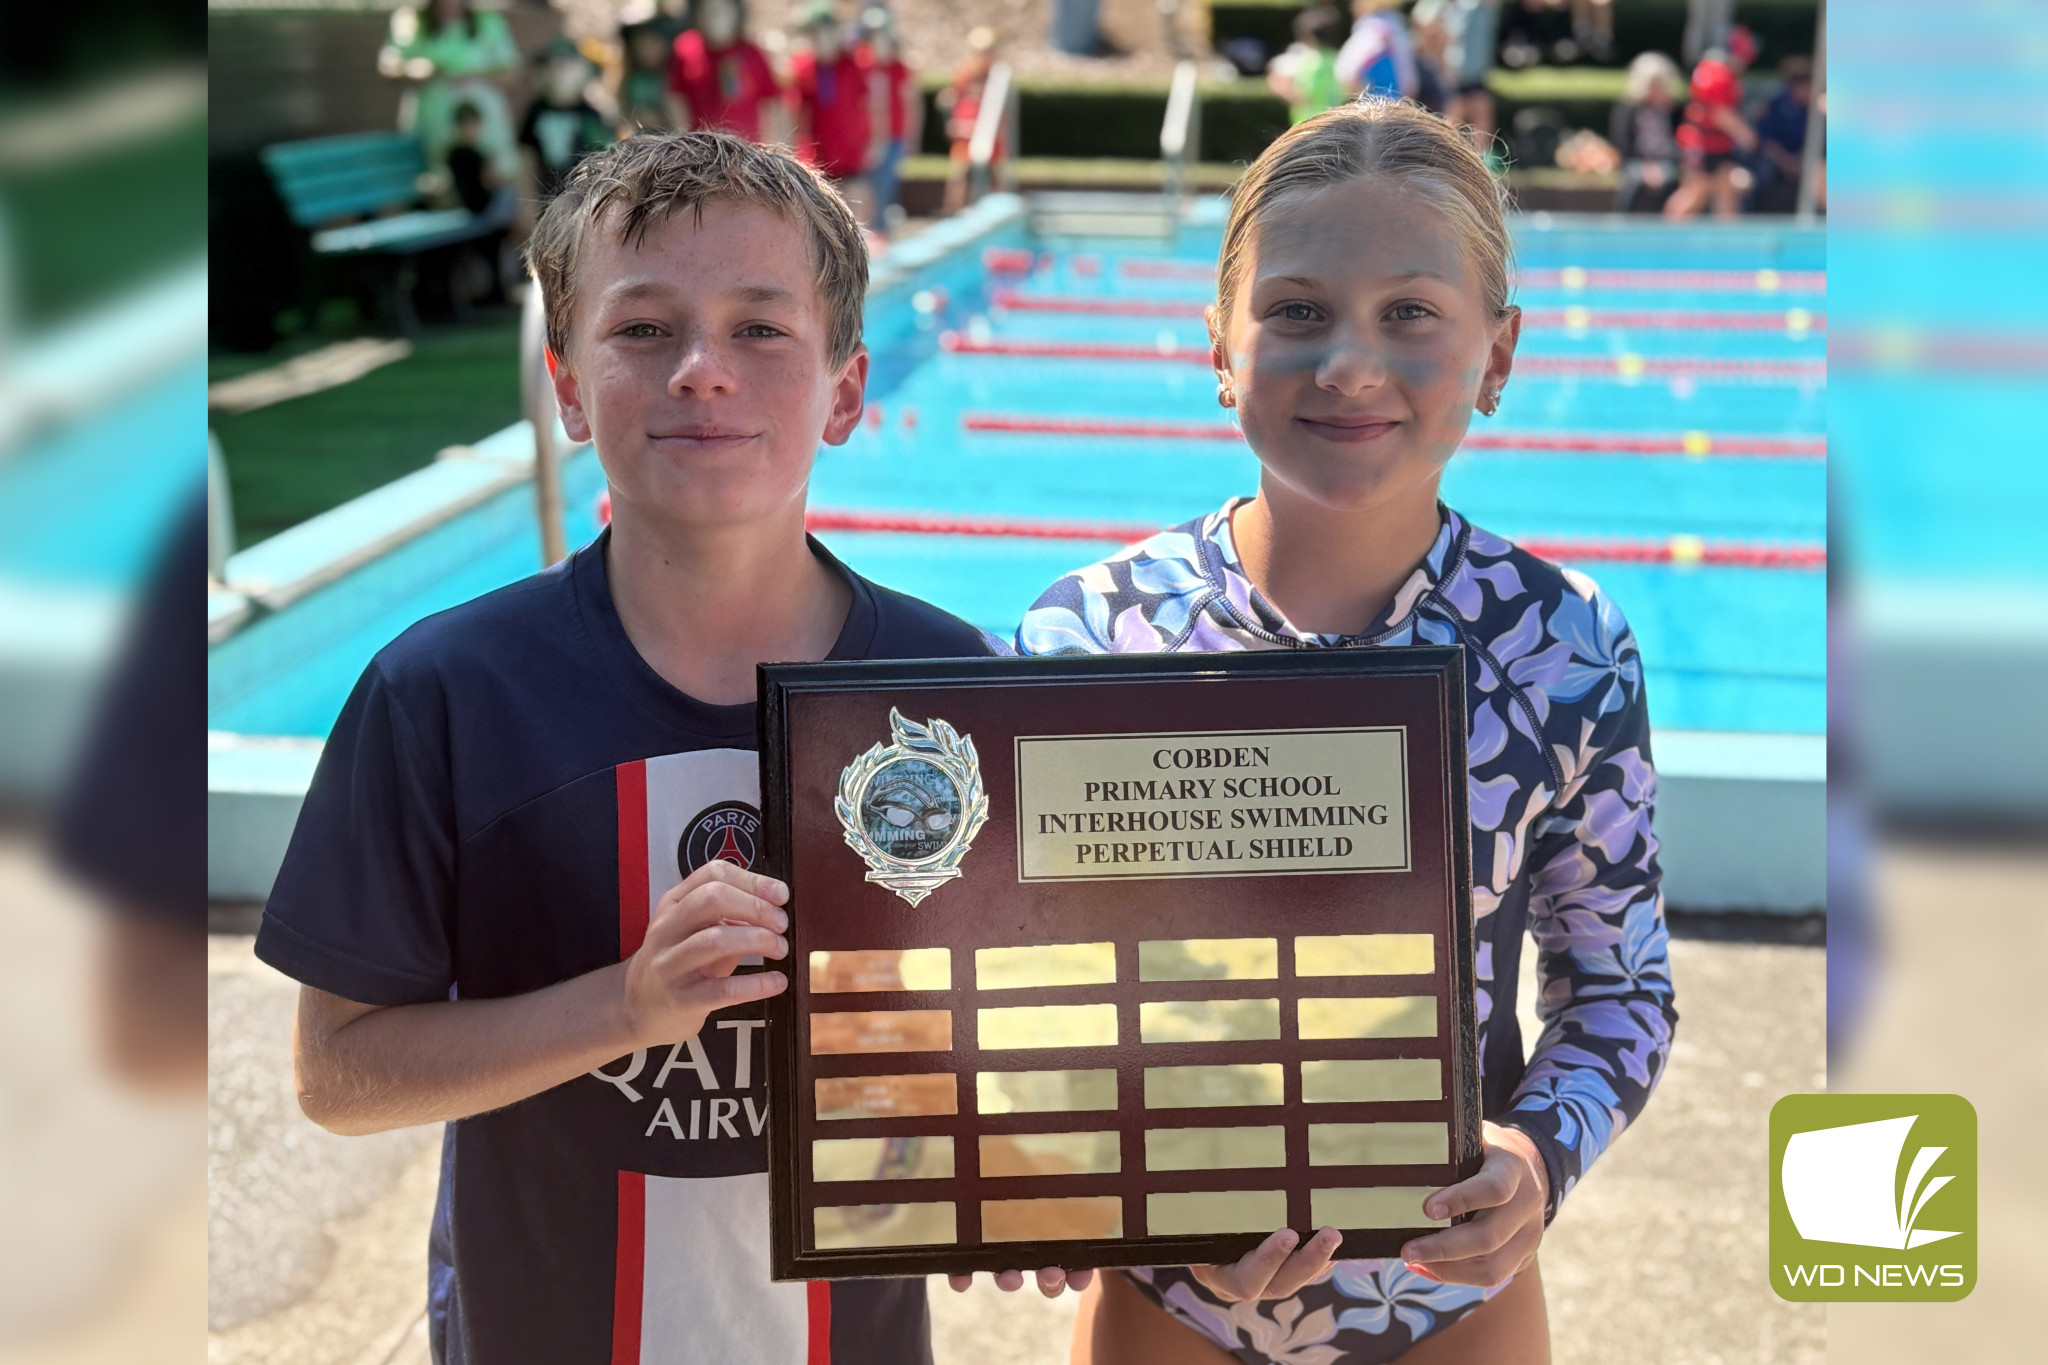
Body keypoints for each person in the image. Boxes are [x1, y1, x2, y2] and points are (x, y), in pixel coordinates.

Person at [252, 131, 1022, 1363]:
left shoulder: (947, 693)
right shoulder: (445, 692)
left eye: (760, 330)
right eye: (643, 330)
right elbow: (338, 1075)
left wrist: (1059, 1167)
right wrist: (623, 1005)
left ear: (844, 390)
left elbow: (1017, 1033)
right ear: (565, 384)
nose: (702, 372)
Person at [1017, 100, 1675, 1363]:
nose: (1349, 365)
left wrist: (1537, 1157)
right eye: (1298, 311)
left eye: (1410, 314)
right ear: (1220, 343)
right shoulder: (1089, 636)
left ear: (1496, 357)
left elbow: (1618, 985)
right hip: (1171, 1298)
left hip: (1446, 1302)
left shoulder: (1562, 647)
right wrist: (1072, 1173)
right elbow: (1024, 995)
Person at [381, 0, 522, 187]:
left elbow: (512, 72)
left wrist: (474, 76)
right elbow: (389, 67)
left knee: (493, 184)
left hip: (487, 133)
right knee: (440, 184)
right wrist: (415, 70)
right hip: (434, 132)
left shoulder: (487, 22)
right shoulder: (411, 22)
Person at [785, 1, 872, 219]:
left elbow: (870, 105)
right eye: (815, 34)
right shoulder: (803, 68)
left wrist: (874, 140)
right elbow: (795, 114)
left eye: (827, 32)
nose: (822, 39)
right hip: (817, 157)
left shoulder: (854, 64)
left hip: (851, 155)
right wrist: (793, 150)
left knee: (854, 212)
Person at [1666, 23, 1758, 220]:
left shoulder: (1714, 70)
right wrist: (1747, 135)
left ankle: (1727, 243)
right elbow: (1720, 114)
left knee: (1726, 191)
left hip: (1716, 145)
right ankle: (1669, 237)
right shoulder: (1717, 74)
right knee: (1696, 192)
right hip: (1702, 145)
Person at [667, 0, 780, 142]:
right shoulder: (686, 49)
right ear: (696, 14)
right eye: (707, 10)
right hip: (700, 149)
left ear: (737, 13)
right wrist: (682, 141)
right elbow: (676, 100)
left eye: (723, 9)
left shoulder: (753, 53)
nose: (715, 16)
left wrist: (770, 146)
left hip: (748, 149)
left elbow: (771, 104)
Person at [519, 40, 617, 201]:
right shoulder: (536, 111)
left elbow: (606, 153)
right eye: (548, 67)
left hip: (583, 199)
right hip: (545, 198)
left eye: (562, 67)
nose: (555, 74)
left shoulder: (590, 114)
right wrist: (525, 200)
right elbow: (526, 157)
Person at [855, 6, 919, 231]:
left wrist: (912, 138)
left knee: (884, 190)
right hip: (866, 139)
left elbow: (911, 104)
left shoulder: (898, 68)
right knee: (864, 192)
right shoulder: (861, 64)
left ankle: (881, 234)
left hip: (894, 138)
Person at [1609, 51, 1682, 213]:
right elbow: (1623, 143)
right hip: (1638, 162)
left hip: (1668, 161)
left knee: (1673, 182)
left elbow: (1682, 140)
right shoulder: (1628, 109)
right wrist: (1646, 167)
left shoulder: (1674, 110)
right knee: (1632, 183)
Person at [938, 26, 999, 214]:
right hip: (965, 132)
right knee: (958, 178)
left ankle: (993, 216)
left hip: (987, 133)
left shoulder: (996, 75)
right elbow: (948, 97)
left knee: (994, 178)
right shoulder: (964, 73)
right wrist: (951, 120)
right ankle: (954, 216)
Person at [1748, 54, 1815, 214]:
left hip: (1807, 162)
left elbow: (1820, 141)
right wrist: (1786, 162)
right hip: (1776, 164)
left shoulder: (1818, 109)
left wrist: (1801, 160)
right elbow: (1764, 140)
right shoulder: (1776, 106)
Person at [1267, 6, 1350, 127]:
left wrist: (1297, 99)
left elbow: (1277, 82)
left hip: (1306, 125)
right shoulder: (1337, 58)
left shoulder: (1301, 58)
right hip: (1336, 123)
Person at [1337, 0, 1419, 101]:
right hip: (1396, 100)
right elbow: (1408, 77)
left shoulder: (1371, 28)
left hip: (1373, 100)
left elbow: (1348, 71)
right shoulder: (1395, 25)